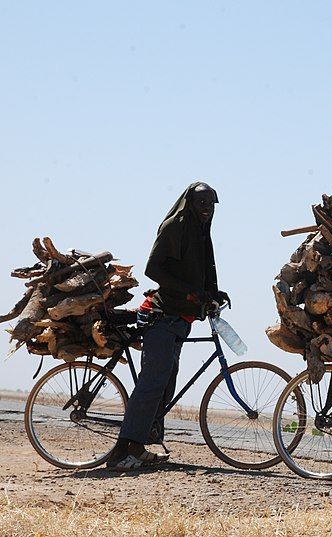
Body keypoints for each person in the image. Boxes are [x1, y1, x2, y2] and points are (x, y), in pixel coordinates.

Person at [106, 182, 229, 470]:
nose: (206, 208)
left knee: (165, 382)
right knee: (152, 383)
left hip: (180, 320)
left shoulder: (201, 232)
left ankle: (139, 446)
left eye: (211, 203)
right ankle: (120, 452)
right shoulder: (176, 226)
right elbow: (154, 269)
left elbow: (199, 272)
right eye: (201, 202)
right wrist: (190, 291)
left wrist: (212, 293)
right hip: (162, 317)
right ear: (189, 202)